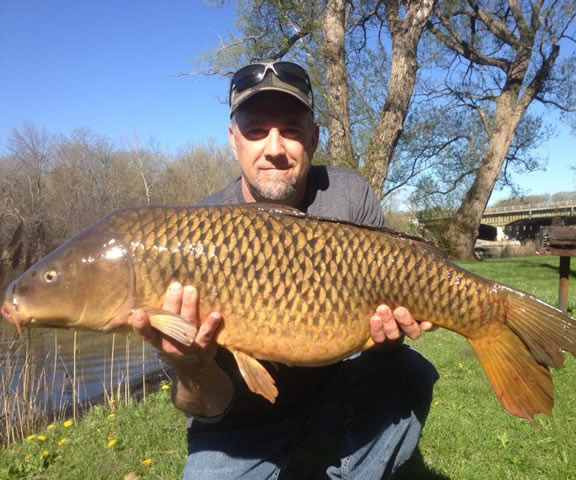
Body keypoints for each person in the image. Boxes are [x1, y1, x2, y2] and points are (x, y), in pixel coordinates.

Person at [131, 61, 439, 479]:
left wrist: (386, 338)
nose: (274, 147)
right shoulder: (195, 233)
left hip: (331, 394)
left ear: (314, 138)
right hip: (236, 422)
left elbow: (378, 333)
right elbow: (202, 406)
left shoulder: (348, 195)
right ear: (233, 140)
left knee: (408, 370)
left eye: (291, 129)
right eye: (256, 129)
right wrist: (193, 365)